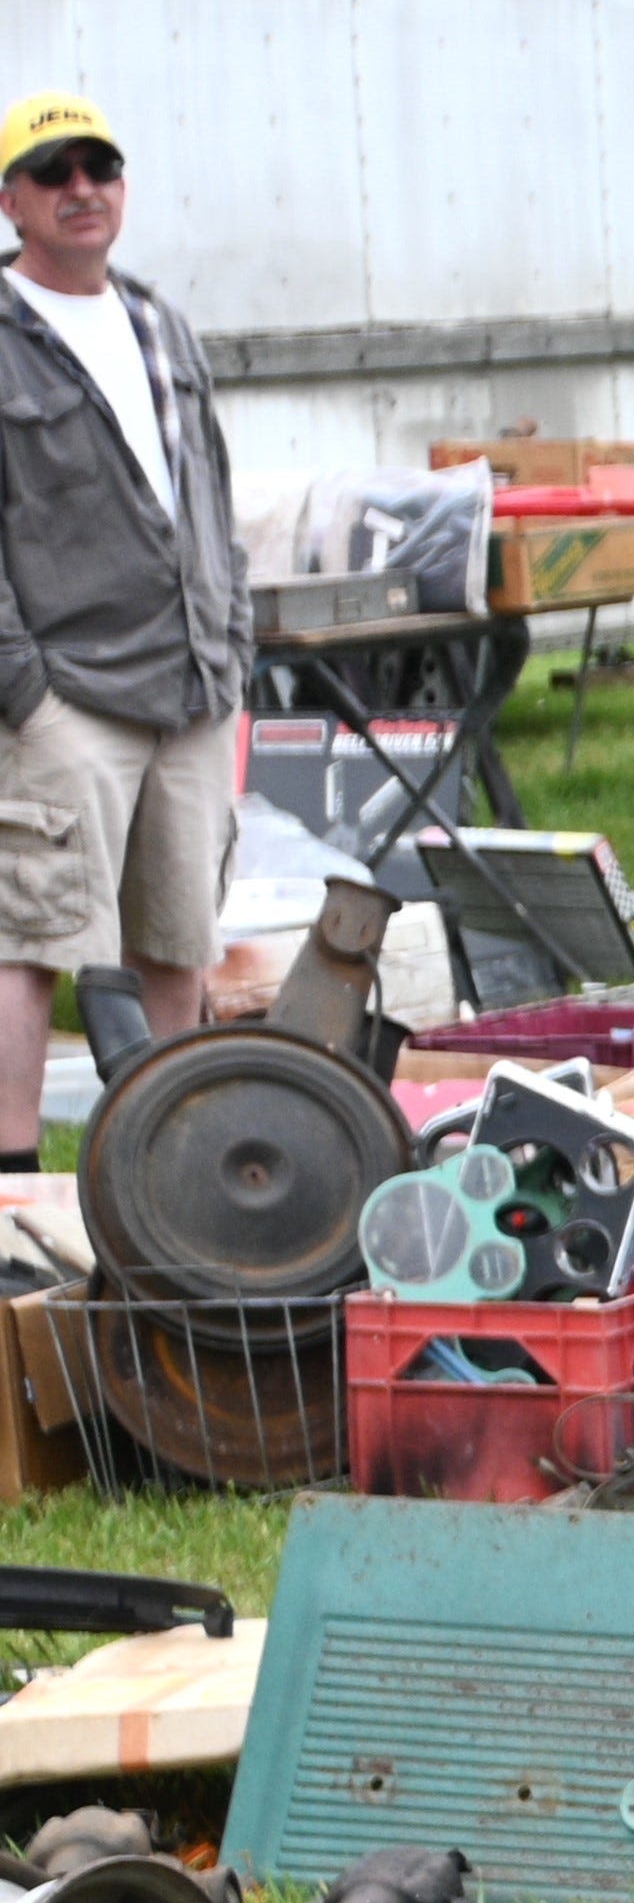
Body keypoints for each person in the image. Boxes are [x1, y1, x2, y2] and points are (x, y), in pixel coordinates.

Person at [0, 93, 235, 1151]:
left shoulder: (157, 321)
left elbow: (210, 494)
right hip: (66, 694)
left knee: (180, 938)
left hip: (190, 685)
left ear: (123, 189)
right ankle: (7, 1193)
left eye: (98, 168)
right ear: (13, 203)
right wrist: (21, 686)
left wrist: (229, 642)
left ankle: (165, 1174)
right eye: (54, 172)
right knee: (33, 941)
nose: (80, 189)